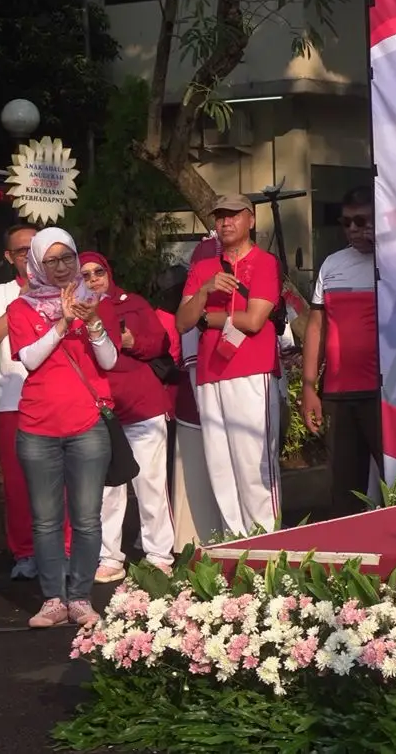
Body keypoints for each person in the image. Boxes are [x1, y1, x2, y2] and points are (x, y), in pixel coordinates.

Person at [6, 228, 117, 627]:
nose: (60, 267)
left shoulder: (95, 301)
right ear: (35, 264)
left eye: (66, 258)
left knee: (87, 518)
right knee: (46, 519)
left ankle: (81, 597)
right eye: (50, 261)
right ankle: (53, 599)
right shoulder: (21, 309)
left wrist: (92, 325)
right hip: (38, 427)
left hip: (87, 424)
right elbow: (31, 361)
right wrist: (61, 324)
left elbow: (108, 361)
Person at [175, 195, 284, 536]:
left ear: (250, 220)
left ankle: (269, 545)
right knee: (220, 466)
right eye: (220, 217)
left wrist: (208, 318)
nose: (225, 223)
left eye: (233, 216)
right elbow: (181, 322)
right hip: (210, 374)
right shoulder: (202, 269)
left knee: (255, 466)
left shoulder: (265, 263)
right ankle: (234, 545)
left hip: (252, 373)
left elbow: (253, 321)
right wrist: (205, 292)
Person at [0, 223, 69, 580]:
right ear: (10, 257)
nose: (30, 254)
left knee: (61, 482)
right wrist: (25, 296)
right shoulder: (1, 292)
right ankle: (25, 552)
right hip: (14, 401)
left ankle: (64, 550)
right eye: (22, 250)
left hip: (57, 399)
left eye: (36, 247)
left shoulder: (65, 289)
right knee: (17, 484)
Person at [81, 253, 177, 581]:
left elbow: (160, 342)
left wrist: (130, 340)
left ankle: (159, 553)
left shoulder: (131, 303)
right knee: (108, 488)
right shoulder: (74, 311)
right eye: (86, 275)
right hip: (103, 408)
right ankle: (110, 557)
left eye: (99, 272)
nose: (93, 279)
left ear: (109, 272)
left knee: (150, 483)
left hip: (142, 406)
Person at [300, 188, 381, 516]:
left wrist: (384, 248)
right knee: (344, 490)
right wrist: (308, 387)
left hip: (382, 392)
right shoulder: (332, 265)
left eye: (362, 221)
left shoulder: (393, 261)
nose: (353, 229)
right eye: (346, 222)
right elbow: (316, 326)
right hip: (338, 391)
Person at [154, 262, 223, 550]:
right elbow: (163, 361)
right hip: (178, 400)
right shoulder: (165, 318)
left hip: (188, 396)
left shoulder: (179, 314)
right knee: (181, 473)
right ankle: (185, 538)